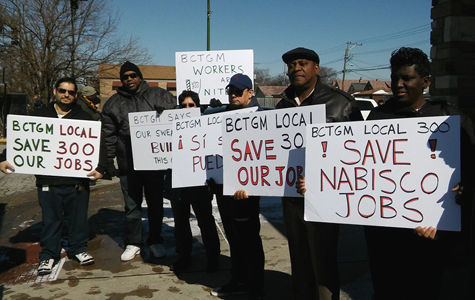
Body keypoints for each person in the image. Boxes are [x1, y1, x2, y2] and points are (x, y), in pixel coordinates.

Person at [364, 47, 474, 300]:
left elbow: (468, 171)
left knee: (427, 288)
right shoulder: (378, 118)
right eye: (394, 78)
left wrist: (460, 195)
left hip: (432, 234)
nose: (398, 84)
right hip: (386, 236)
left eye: (406, 78)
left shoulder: (448, 118)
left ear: (425, 82)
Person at [277, 47, 363, 300]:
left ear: (317, 68)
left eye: (303, 63)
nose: (296, 69)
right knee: (299, 257)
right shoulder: (282, 105)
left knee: (323, 260)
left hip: (324, 198)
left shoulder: (341, 103)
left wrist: (326, 179)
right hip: (292, 198)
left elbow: (360, 153)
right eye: (292, 65)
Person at [0, 77, 108, 275]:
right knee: (51, 219)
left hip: (77, 181)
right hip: (48, 181)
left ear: (76, 95)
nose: (66, 95)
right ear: (55, 92)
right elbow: (21, 138)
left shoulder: (85, 119)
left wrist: (101, 167)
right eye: (62, 91)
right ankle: (49, 255)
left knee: (78, 219)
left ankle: (78, 249)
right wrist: (4, 157)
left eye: (70, 92)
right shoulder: (39, 115)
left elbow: (98, 145)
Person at [101, 61, 176, 261]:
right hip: (128, 164)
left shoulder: (158, 94)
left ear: (140, 76)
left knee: (155, 204)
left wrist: (167, 109)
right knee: (131, 206)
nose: (129, 79)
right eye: (125, 77)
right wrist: (108, 160)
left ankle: (155, 239)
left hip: (154, 164)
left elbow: (178, 116)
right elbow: (108, 135)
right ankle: (133, 242)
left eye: (133, 75)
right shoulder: (113, 104)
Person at [209, 74, 265, 300]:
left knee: (249, 239)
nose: (233, 94)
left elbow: (267, 156)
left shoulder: (261, 118)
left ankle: (256, 287)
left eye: (238, 91)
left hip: (247, 192)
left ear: (250, 93)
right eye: (230, 90)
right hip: (224, 189)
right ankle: (238, 280)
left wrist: (252, 183)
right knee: (233, 237)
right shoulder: (220, 116)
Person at [169, 90, 220, 273]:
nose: (187, 109)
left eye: (191, 105)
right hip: (179, 182)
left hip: (200, 182)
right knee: (181, 223)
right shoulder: (171, 125)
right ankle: (184, 256)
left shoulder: (206, 124)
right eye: (183, 106)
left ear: (198, 106)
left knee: (205, 221)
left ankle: (213, 257)